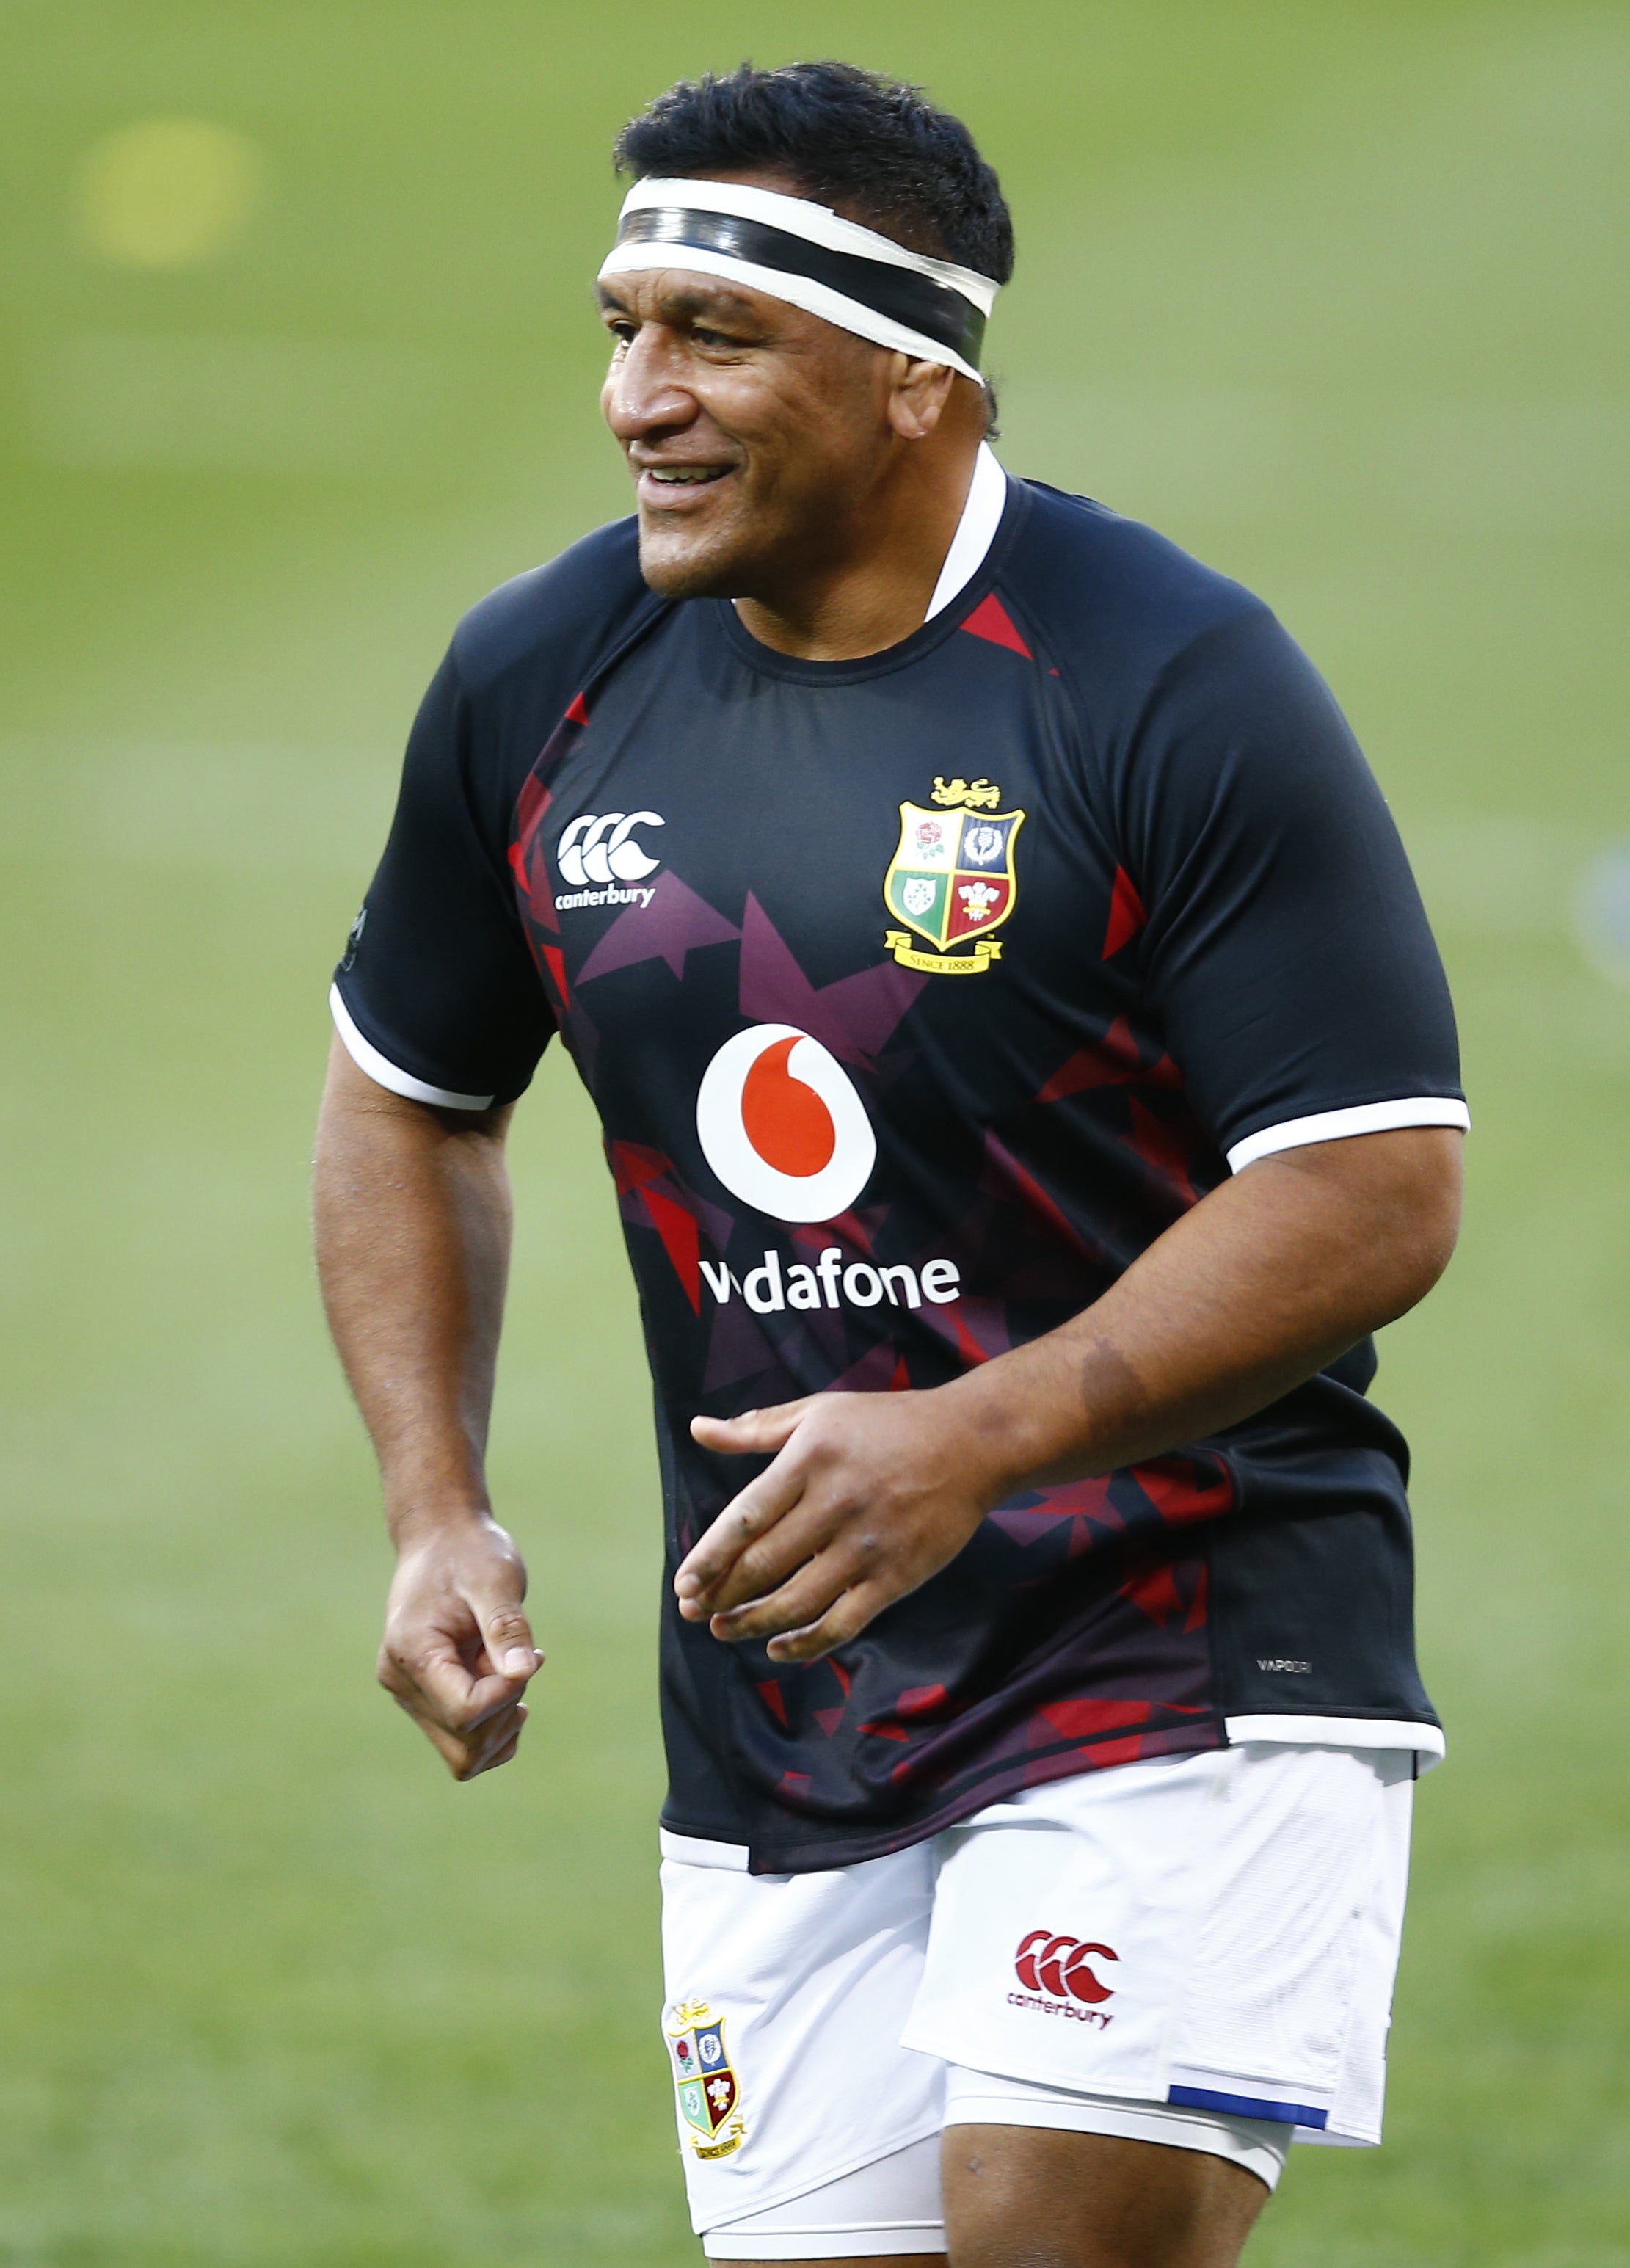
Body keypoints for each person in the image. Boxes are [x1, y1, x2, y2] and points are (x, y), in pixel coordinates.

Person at [313, 59, 1468, 2268]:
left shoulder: (1165, 676)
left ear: (914, 380)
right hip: (787, 1694)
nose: (637, 398)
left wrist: (975, 1437)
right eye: (621, 328)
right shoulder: (542, 676)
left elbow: (1374, 1185)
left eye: (714, 337)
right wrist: (431, 1503)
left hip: (1176, 1649)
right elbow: (407, 1093)